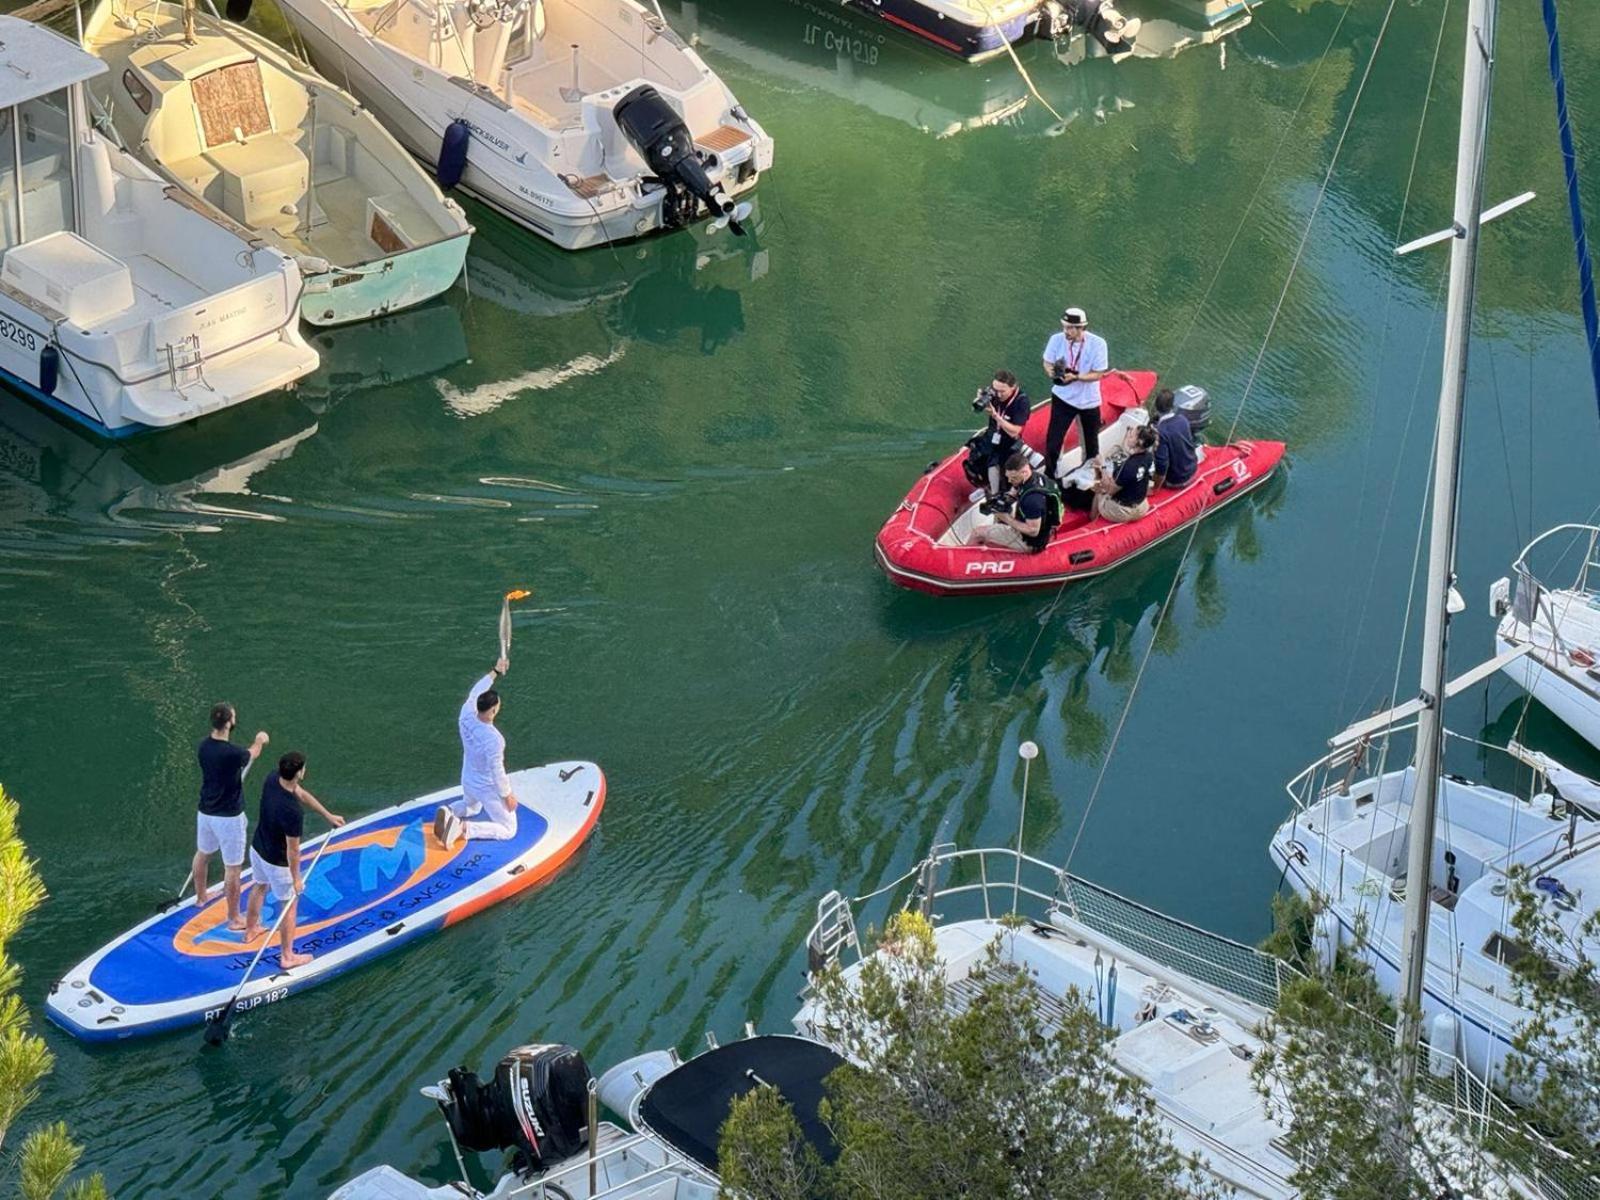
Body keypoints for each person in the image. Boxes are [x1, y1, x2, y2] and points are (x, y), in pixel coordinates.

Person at [243, 751, 344, 968]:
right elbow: (293, 851)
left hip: (257, 849)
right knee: (289, 906)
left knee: (259, 886)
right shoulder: (292, 812)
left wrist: (327, 815)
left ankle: (251, 929)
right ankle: (288, 957)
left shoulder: (272, 779)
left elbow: (301, 793)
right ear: (299, 773)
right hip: (277, 862)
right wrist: (296, 879)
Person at [194, 703, 269, 932]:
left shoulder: (203, 746)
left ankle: (201, 897)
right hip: (228, 818)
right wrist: (260, 739)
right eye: (234, 716)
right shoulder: (232, 753)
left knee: (203, 854)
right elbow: (252, 753)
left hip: (205, 812)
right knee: (233, 869)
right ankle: (234, 918)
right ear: (228, 723)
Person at [435, 657, 518, 849]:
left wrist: (495, 671)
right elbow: (497, 771)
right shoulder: (495, 739)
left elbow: (476, 691)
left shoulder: (466, 713)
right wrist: (507, 796)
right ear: (494, 710)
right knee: (508, 829)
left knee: (472, 807)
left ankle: (450, 811)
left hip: (468, 779)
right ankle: (463, 829)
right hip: (485, 786)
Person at [1041, 307, 1111, 479]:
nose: (1066, 331)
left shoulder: (1098, 344)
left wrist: (1077, 377)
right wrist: (1052, 373)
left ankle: (1090, 476)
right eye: (1064, 327)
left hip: (1089, 401)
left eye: (1070, 328)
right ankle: (1051, 476)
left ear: (1081, 328)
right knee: (1053, 442)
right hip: (1062, 398)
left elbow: (1099, 373)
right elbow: (1047, 362)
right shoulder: (1056, 339)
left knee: (1091, 445)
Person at [974, 452, 1062, 552]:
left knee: (977, 533)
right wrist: (1006, 499)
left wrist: (1007, 519)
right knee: (999, 515)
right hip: (1043, 527)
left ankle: (964, 560)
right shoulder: (1034, 477)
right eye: (1008, 477)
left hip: (1029, 541)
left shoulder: (1032, 500)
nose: (1010, 481)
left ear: (1024, 472)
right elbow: (1015, 489)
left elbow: (1033, 531)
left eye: (1013, 478)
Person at [967, 370, 1032, 497]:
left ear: (1013, 387)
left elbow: (1015, 431)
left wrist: (995, 415)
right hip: (993, 435)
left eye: (1002, 391)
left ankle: (1001, 493)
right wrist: (980, 400)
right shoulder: (994, 394)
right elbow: (975, 408)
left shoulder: (1021, 402)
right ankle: (987, 487)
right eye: (995, 389)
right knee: (975, 459)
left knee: (1005, 468)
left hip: (1009, 441)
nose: (998, 394)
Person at [1093, 424, 1157, 523]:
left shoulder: (1128, 466)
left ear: (1139, 442)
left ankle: (1092, 523)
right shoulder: (1149, 457)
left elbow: (1110, 490)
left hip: (1123, 512)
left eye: (1131, 435)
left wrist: (1102, 467)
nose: (1128, 436)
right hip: (1141, 506)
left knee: (1099, 490)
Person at [1151, 388, 1197, 490]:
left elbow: (1162, 465)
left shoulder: (1160, 432)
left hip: (1176, 480)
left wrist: (1155, 488)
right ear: (1172, 405)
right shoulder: (1183, 419)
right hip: (1192, 469)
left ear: (1156, 406)